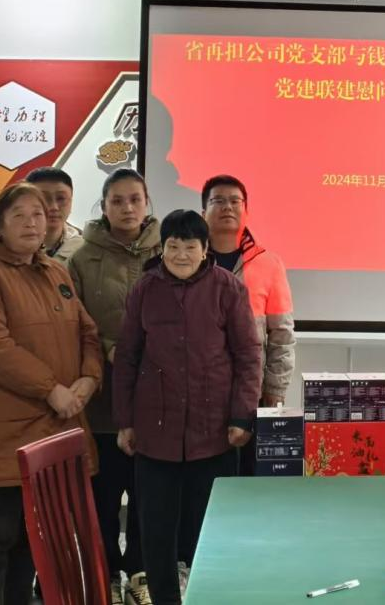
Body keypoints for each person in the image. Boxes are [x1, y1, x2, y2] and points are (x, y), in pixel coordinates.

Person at [0, 182, 102, 605]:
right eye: (18, 215)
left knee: (33, 537)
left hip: (56, 424)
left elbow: (88, 332)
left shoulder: (55, 271)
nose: (31, 222)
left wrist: (89, 379)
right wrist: (51, 389)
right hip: (5, 431)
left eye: (37, 214)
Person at [114, 210, 261, 605]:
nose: (181, 255)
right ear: (161, 249)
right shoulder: (145, 290)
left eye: (190, 247)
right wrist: (125, 421)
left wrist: (242, 415)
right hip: (155, 432)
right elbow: (127, 357)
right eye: (173, 246)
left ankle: (210, 597)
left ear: (205, 249)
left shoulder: (227, 288)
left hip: (213, 431)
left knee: (209, 528)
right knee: (156, 530)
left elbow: (248, 355)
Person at [68, 169, 161, 605]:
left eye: (135, 199)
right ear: (103, 206)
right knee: (102, 499)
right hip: (103, 403)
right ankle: (104, 574)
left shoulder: (167, 251)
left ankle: (141, 573)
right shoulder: (82, 259)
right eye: (117, 200)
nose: (127, 208)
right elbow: (75, 325)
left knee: (147, 497)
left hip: (155, 402)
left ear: (147, 203)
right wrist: (109, 350)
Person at [201, 174, 295, 474]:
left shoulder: (269, 263)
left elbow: (282, 335)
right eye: (218, 200)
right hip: (202, 392)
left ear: (246, 210)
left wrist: (275, 389)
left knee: (248, 477)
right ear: (203, 211)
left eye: (235, 201)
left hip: (252, 393)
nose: (227, 207)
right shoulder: (190, 261)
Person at [26, 166, 84, 264]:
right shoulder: (5, 238)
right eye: (44, 198)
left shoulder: (84, 252)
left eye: (61, 198)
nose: (54, 207)